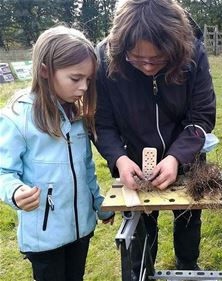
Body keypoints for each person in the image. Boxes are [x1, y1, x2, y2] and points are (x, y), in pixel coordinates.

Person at [94, 0, 216, 278]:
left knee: (188, 217)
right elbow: (101, 122)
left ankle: (187, 266)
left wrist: (176, 158)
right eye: (137, 58)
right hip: (133, 160)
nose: (147, 66)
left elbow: (202, 116)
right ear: (122, 48)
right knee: (140, 223)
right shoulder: (105, 56)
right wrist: (119, 159)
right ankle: (142, 271)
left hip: (187, 157)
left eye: (157, 59)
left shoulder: (192, 52)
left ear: (175, 49)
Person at [0, 25, 115, 281]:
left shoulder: (77, 117)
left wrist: (99, 204)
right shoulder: (18, 117)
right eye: (76, 78)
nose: (84, 87)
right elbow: (3, 171)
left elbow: (86, 168)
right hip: (44, 239)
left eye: (88, 80)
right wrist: (15, 192)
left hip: (81, 231)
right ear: (44, 70)